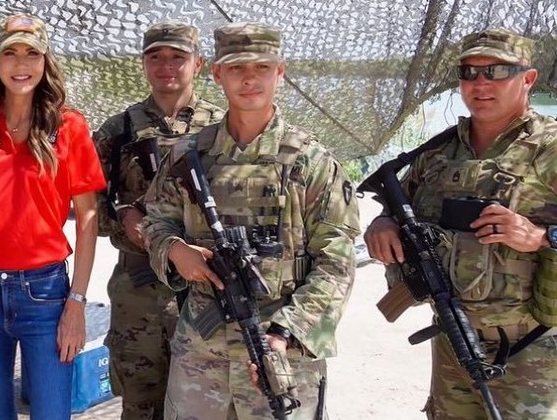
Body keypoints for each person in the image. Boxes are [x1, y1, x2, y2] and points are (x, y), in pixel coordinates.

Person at [141, 22, 358, 419]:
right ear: (217, 73)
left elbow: (337, 262)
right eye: (237, 67)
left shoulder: (311, 162)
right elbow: (155, 221)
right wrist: (175, 250)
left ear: (280, 72)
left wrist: (286, 332)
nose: (249, 78)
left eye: (261, 67)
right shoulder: (188, 154)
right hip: (201, 352)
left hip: (281, 355)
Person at [364, 27, 557, 420]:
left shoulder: (550, 149)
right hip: (453, 340)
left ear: (528, 78)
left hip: (532, 350)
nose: (480, 83)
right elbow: (398, 205)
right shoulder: (436, 152)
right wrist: (382, 223)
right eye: (469, 72)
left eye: (497, 71)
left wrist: (542, 236)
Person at [0, 13, 106, 420]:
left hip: (45, 295)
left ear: (45, 61)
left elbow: (88, 218)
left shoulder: (69, 126)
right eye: (10, 53)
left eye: (31, 54)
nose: (21, 64)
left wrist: (76, 304)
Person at [93, 22, 224, 420]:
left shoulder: (222, 128)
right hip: (139, 288)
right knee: (141, 402)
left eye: (177, 57)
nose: (166, 65)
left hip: (206, 284)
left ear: (198, 64)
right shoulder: (119, 130)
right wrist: (122, 217)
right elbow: (88, 205)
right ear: (144, 63)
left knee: (208, 401)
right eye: (156, 57)